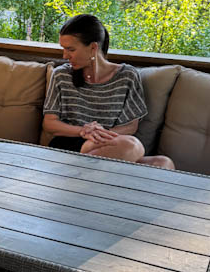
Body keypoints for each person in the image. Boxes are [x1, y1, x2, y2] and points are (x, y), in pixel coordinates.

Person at [42, 14, 175, 169]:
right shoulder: (61, 75)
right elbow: (49, 123)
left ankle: (81, 179)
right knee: (132, 147)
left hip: (110, 143)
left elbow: (130, 126)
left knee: (164, 163)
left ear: (93, 48)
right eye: (64, 49)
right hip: (70, 144)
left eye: (70, 49)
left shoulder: (127, 76)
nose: (65, 56)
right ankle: (83, 177)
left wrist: (99, 134)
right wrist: (84, 131)